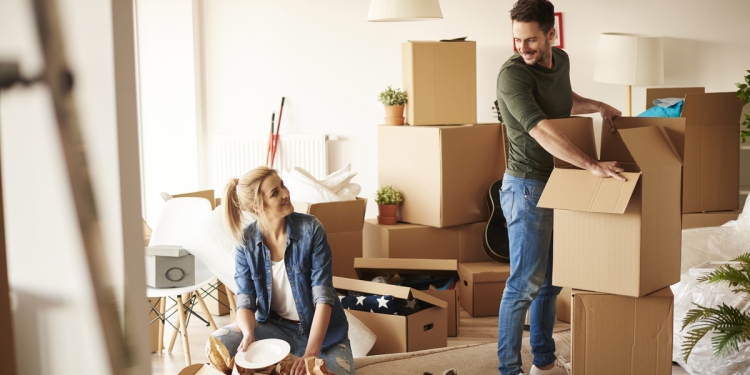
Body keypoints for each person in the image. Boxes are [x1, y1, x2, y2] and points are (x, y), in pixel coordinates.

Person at [495, 1, 626, 375]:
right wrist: (592, 165)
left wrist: (598, 105)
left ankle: (544, 362)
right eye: (518, 40)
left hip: (558, 182)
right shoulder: (513, 75)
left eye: (531, 39)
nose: (523, 48)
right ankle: (509, 370)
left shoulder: (562, 60)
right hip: (526, 187)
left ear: (552, 35)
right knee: (523, 285)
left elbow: (562, 103)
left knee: (551, 282)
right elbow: (541, 127)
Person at [208, 166, 354, 375]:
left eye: (282, 185)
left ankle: (282, 365)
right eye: (275, 193)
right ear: (256, 206)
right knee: (220, 341)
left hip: (324, 336)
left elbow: (324, 297)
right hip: (276, 330)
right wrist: (249, 334)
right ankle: (279, 364)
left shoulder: (311, 229)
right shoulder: (246, 242)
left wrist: (311, 353)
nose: (286, 194)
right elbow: (245, 301)